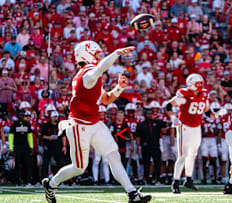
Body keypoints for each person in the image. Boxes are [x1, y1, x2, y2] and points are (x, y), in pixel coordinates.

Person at [41, 41, 151, 203]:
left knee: (113, 155)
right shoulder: (87, 75)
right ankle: (51, 184)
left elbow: (106, 99)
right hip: (78, 125)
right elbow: (100, 68)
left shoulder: (91, 77)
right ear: (88, 55)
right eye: (97, 55)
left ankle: (132, 193)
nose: (99, 57)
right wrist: (117, 53)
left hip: (93, 122)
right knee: (79, 167)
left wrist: (119, 88)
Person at [166, 73, 210, 193]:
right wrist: (173, 118)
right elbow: (168, 105)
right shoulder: (184, 94)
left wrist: (215, 114)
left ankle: (188, 180)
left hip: (196, 127)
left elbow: (206, 110)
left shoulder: (204, 94)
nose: (201, 85)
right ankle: (175, 182)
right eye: (198, 83)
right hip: (184, 126)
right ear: (191, 84)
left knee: (193, 154)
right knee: (183, 155)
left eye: (201, 83)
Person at [136, 109, 166, 184]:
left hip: (155, 145)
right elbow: (138, 136)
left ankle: (158, 178)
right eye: (147, 114)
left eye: (150, 113)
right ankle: (147, 178)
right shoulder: (142, 124)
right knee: (146, 163)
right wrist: (138, 146)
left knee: (157, 162)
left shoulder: (157, 122)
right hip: (145, 146)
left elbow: (165, 127)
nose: (149, 115)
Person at [9, 110, 34, 186]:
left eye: (23, 115)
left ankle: (28, 181)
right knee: (17, 165)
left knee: (27, 164)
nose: (22, 116)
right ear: (17, 116)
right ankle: (17, 181)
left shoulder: (27, 124)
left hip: (26, 147)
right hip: (17, 147)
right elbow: (11, 137)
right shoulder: (14, 125)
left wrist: (31, 147)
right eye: (20, 115)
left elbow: (30, 136)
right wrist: (11, 148)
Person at [41, 111, 66, 180]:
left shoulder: (60, 126)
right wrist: (49, 138)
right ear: (51, 117)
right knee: (45, 163)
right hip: (49, 146)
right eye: (54, 117)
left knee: (61, 163)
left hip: (58, 146)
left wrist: (64, 146)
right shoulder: (46, 125)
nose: (56, 118)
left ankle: (61, 179)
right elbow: (42, 136)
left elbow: (63, 136)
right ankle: (43, 178)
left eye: (57, 117)